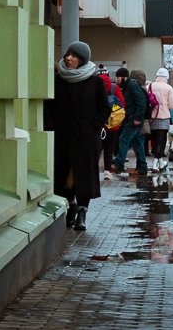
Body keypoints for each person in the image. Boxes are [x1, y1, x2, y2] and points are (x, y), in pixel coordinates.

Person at [52, 41, 110, 231]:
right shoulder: (57, 80)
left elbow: (104, 108)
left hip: (87, 138)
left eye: (74, 56)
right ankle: (71, 205)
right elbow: (48, 108)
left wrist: (94, 126)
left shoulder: (95, 82)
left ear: (83, 60)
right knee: (64, 176)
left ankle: (82, 213)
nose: (69, 58)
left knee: (84, 176)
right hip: (63, 138)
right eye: (68, 55)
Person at [112, 67, 148, 176]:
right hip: (131, 118)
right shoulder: (128, 86)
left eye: (118, 77)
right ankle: (142, 167)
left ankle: (119, 164)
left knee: (123, 139)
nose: (116, 80)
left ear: (124, 77)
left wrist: (138, 118)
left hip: (133, 119)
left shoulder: (133, 85)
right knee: (137, 144)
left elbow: (141, 102)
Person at [146, 69, 173, 171]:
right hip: (163, 117)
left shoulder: (149, 86)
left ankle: (161, 163)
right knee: (160, 141)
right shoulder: (168, 88)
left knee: (154, 141)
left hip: (151, 117)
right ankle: (155, 164)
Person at [98, 65, 125, 175]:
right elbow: (122, 103)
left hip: (98, 123)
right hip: (112, 123)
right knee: (109, 148)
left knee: (97, 148)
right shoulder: (114, 87)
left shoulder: (94, 86)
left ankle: (93, 169)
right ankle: (107, 170)